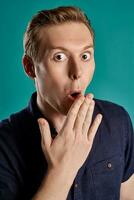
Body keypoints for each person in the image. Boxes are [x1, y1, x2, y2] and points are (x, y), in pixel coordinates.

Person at [0, 6, 134, 200]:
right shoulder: (4, 144)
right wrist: (62, 169)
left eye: (85, 56)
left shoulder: (118, 121)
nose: (77, 72)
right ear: (30, 68)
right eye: (59, 57)